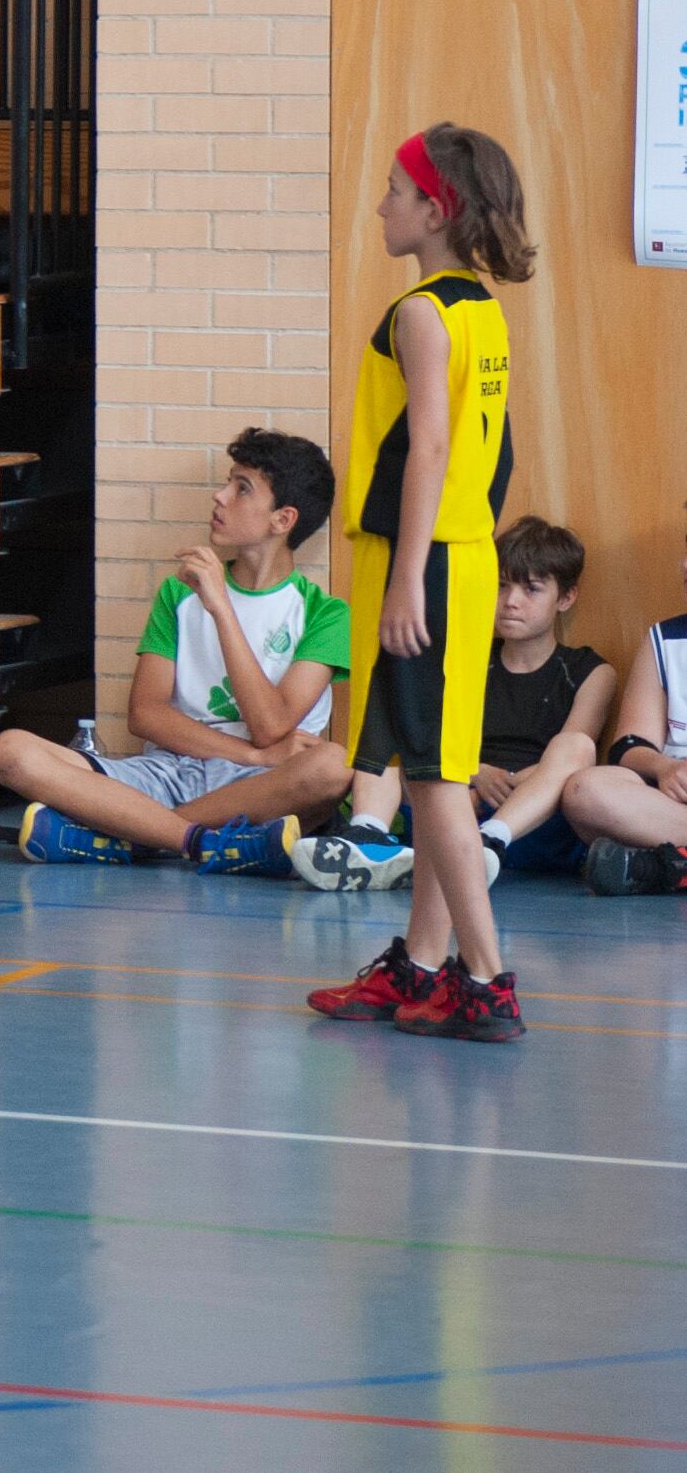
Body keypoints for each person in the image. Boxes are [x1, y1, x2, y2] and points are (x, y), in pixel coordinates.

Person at [309, 123, 538, 1038]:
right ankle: (422, 966)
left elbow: (432, 450)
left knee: (437, 780)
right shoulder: (477, 309)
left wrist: (411, 576)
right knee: (423, 763)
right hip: (459, 556)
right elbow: (495, 453)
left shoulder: (419, 314)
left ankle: (486, 981)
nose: (381, 207)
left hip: (428, 561)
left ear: (434, 209)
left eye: (395, 193)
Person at [0, 430, 351, 867]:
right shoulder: (179, 593)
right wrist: (252, 752)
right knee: (9, 752)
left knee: (333, 766)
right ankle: (201, 842)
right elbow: (146, 716)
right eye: (228, 482)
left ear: (282, 520)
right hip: (170, 770)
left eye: (242, 488)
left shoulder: (326, 614)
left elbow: (270, 725)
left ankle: (133, 834)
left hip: (261, 785)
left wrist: (223, 610)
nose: (220, 496)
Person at [296, 516, 611, 892]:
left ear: (565, 597)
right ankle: (366, 837)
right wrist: (475, 773)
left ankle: (490, 842)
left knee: (575, 745)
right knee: (394, 724)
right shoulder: (464, 656)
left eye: (531, 590)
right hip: (456, 796)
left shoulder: (590, 671)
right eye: (501, 586)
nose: (510, 602)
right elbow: (428, 734)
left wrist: (496, 786)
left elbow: (572, 762)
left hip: (532, 818)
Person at [567, 540, 687, 897]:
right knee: (584, 791)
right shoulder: (664, 639)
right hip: (675, 803)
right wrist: (664, 768)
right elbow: (629, 745)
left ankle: (666, 869)